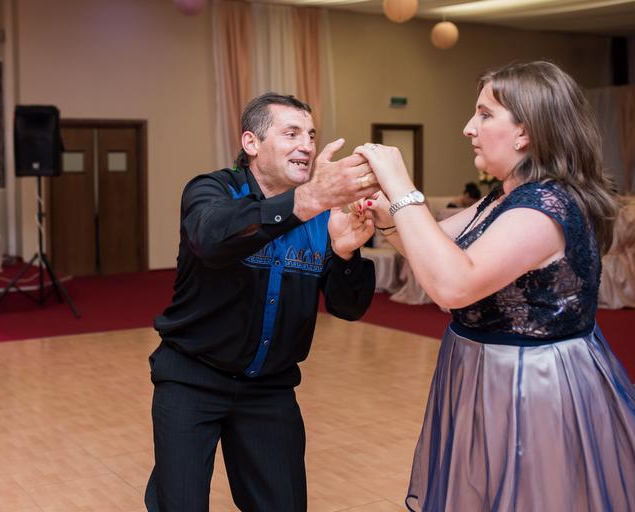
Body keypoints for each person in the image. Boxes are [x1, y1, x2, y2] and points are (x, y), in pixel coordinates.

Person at [355, 61, 634, 511]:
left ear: (525, 131)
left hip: (529, 380)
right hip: (484, 369)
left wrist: (401, 187)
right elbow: (436, 249)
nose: (469, 128)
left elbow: (453, 285)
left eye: (485, 115)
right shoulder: (506, 195)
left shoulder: (544, 206)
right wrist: (387, 217)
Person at [146, 92, 379, 511]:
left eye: (311, 135)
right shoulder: (213, 190)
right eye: (291, 134)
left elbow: (349, 307)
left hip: (270, 389)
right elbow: (211, 238)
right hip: (192, 377)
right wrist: (308, 199)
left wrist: (346, 254)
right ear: (251, 143)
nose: (306, 145)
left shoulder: (322, 217)